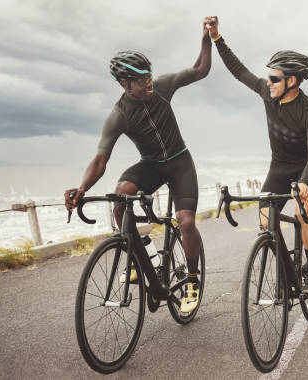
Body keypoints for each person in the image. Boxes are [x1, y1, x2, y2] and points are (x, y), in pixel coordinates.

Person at [64, 23, 212, 313]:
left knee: (186, 223)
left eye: (149, 75)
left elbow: (200, 70)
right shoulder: (119, 115)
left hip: (180, 163)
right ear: (124, 84)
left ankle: (192, 279)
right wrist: (82, 189)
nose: (149, 82)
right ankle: (141, 252)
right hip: (152, 166)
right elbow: (100, 159)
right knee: (120, 196)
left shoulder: (164, 87)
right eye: (141, 79)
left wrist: (206, 40)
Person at [204, 16, 308, 294]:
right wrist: (217, 38)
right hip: (279, 167)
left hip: (305, 168)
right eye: (268, 76)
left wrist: (305, 183)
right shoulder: (267, 94)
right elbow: (238, 70)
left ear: (292, 80)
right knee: (265, 219)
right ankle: (287, 270)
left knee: (304, 212)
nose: (268, 82)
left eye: (274, 78)